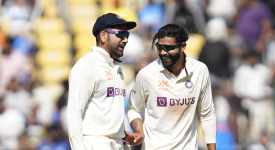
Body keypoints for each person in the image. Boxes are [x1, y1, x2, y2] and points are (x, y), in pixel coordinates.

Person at [127, 24, 216, 150]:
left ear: (183, 47)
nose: (163, 52)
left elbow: (207, 114)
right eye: (160, 47)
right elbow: (133, 109)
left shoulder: (199, 71)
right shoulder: (146, 74)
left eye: (169, 48)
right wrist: (139, 130)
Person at [66, 13, 136, 150]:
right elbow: (74, 113)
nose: (125, 39)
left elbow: (106, 114)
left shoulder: (116, 69)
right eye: (121, 34)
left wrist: (122, 135)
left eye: (127, 34)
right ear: (103, 36)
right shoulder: (87, 66)